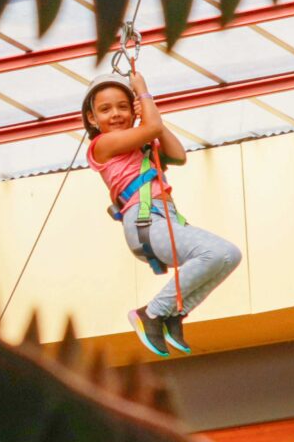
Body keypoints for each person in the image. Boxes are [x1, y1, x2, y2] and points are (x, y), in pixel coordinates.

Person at [82, 67, 242, 357]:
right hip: (144, 221)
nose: (115, 114)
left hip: (163, 217)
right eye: (105, 110)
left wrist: (146, 111)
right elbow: (153, 128)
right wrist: (143, 92)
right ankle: (152, 313)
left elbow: (178, 155)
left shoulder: (142, 142)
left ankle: (173, 313)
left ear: (133, 110)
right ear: (92, 119)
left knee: (230, 255)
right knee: (214, 253)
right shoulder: (101, 145)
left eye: (122, 107)